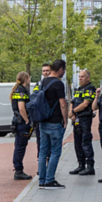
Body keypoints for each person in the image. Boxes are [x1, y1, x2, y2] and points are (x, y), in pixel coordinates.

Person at [36, 59, 69, 189]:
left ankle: (42, 180)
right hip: (55, 122)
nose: (64, 72)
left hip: (43, 121)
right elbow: (62, 104)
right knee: (55, 152)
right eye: (64, 70)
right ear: (60, 69)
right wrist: (65, 120)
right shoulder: (58, 84)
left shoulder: (43, 82)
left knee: (43, 151)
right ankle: (50, 180)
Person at [68, 69, 97, 176]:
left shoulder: (90, 88)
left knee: (85, 142)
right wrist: (71, 112)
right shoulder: (78, 89)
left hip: (84, 119)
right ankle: (81, 165)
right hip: (76, 119)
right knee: (77, 143)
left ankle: (90, 166)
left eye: (82, 77)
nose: (80, 79)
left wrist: (73, 111)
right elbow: (72, 101)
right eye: (79, 77)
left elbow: (85, 104)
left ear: (88, 78)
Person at [10, 71, 32, 181]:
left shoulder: (17, 90)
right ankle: (18, 171)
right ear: (26, 78)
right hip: (22, 122)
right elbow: (21, 108)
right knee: (20, 147)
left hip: (17, 121)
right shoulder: (22, 91)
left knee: (19, 146)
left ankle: (18, 169)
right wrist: (27, 120)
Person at [32, 63, 51, 150]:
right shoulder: (38, 84)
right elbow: (34, 96)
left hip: (51, 115)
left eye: (47, 70)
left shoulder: (54, 82)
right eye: (44, 71)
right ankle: (40, 158)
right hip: (40, 116)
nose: (45, 72)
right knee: (40, 139)